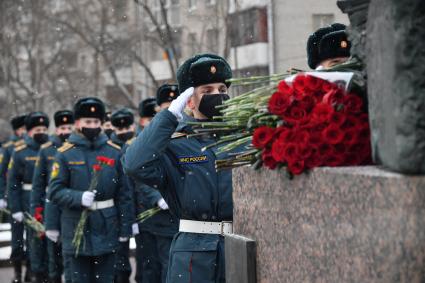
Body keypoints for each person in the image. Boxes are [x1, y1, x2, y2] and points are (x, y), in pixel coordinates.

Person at [123, 54, 234, 283]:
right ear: (189, 101)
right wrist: (170, 116)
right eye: (207, 91)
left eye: (222, 88)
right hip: (194, 251)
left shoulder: (240, 139)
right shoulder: (174, 145)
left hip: (239, 247)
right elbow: (134, 165)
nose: (218, 95)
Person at [47, 97, 133, 283]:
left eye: (96, 122)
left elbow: (124, 194)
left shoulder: (114, 151)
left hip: (107, 227)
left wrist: (126, 227)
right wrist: (77, 197)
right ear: (78, 123)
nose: (92, 125)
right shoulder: (65, 154)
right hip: (76, 229)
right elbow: (54, 191)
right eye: (88, 122)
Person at [32, 110, 74, 283]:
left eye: (70, 127)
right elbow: (38, 185)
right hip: (52, 207)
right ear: (56, 130)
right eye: (63, 127)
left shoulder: (78, 148)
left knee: (72, 257)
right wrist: (37, 211)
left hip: (72, 206)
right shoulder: (46, 150)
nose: (66, 131)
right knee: (53, 259)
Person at [8, 112, 50, 283]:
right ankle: (26, 274)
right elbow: (13, 183)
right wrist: (15, 208)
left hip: (46, 199)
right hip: (26, 199)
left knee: (44, 241)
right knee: (27, 240)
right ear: (29, 131)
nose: (41, 132)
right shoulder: (20, 152)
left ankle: (41, 273)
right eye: (37, 129)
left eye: (44, 129)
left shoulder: (51, 149)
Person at [0, 114, 30, 283]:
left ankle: (30, 273)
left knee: (33, 239)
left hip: (29, 198)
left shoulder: (33, 146)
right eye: (22, 129)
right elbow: (2, 174)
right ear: (17, 131)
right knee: (17, 239)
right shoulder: (9, 148)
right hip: (15, 197)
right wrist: (2, 196)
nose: (25, 132)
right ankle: (18, 274)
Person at [109, 108, 135, 283]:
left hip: (136, 206)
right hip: (115, 211)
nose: (124, 132)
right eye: (120, 130)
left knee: (126, 261)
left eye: (127, 128)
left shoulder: (137, 143)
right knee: (115, 260)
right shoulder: (110, 149)